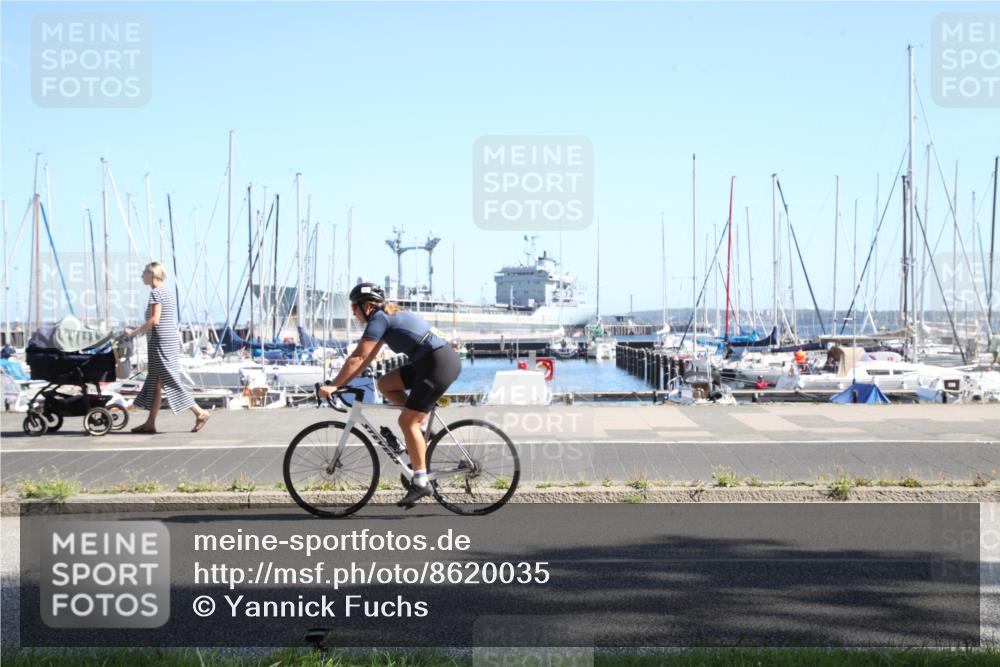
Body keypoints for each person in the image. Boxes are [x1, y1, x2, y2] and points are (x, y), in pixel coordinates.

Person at [318, 282, 461, 507]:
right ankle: (422, 430)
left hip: (437, 363)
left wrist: (334, 386)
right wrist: (341, 382)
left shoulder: (379, 318)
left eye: (354, 308)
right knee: (385, 384)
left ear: (367, 306)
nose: (352, 313)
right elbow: (365, 358)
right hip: (430, 361)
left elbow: (356, 358)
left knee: (407, 422)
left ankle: (421, 482)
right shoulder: (384, 317)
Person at [127, 262, 211, 434]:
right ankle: (150, 423)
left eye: (144, 272)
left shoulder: (156, 293)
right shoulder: (166, 293)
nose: (142, 275)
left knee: (168, 380)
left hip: (160, 341)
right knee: (157, 382)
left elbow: (154, 320)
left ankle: (200, 412)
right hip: (166, 340)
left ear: (152, 275)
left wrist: (134, 332)